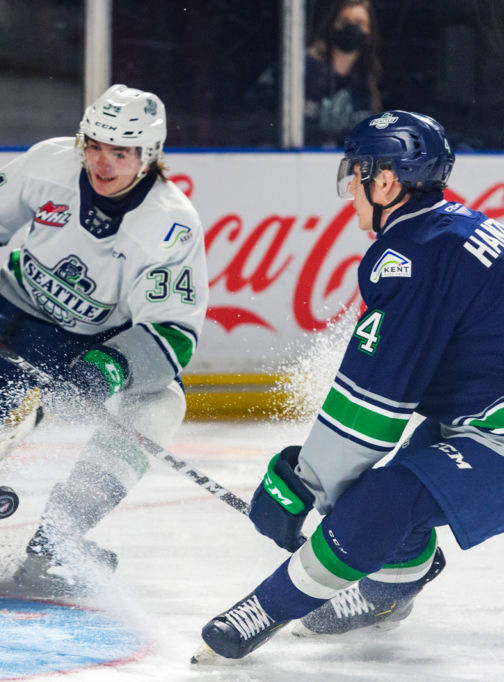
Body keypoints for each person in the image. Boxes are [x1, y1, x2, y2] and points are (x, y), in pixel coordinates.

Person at [195, 110, 504, 661]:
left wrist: (303, 484)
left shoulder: (413, 257)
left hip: (494, 425)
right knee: (380, 496)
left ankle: (264, 609)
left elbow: (375, 403)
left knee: (384, 496)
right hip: (481, 413)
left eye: (358, 171)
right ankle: (391, 590)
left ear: (386, 181)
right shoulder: (454, 229)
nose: (350, 189)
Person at [0, 84, 209, 585]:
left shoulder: (171, 225)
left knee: (160, 405)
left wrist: (109, 367)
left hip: (99, 345)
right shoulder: (50, 163)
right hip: (14, 319)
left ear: (149, 157)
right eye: (95, 146)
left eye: (121, 152)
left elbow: (173, 333)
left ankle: (58, 537)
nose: (103, 163)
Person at [244, 0, 382, 148]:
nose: (352, 28)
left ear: (370, 32)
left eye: (360, 23)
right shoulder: (299, 68)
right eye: (345, 21)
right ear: (332, 24)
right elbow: (255, 108)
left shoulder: (368, 81)